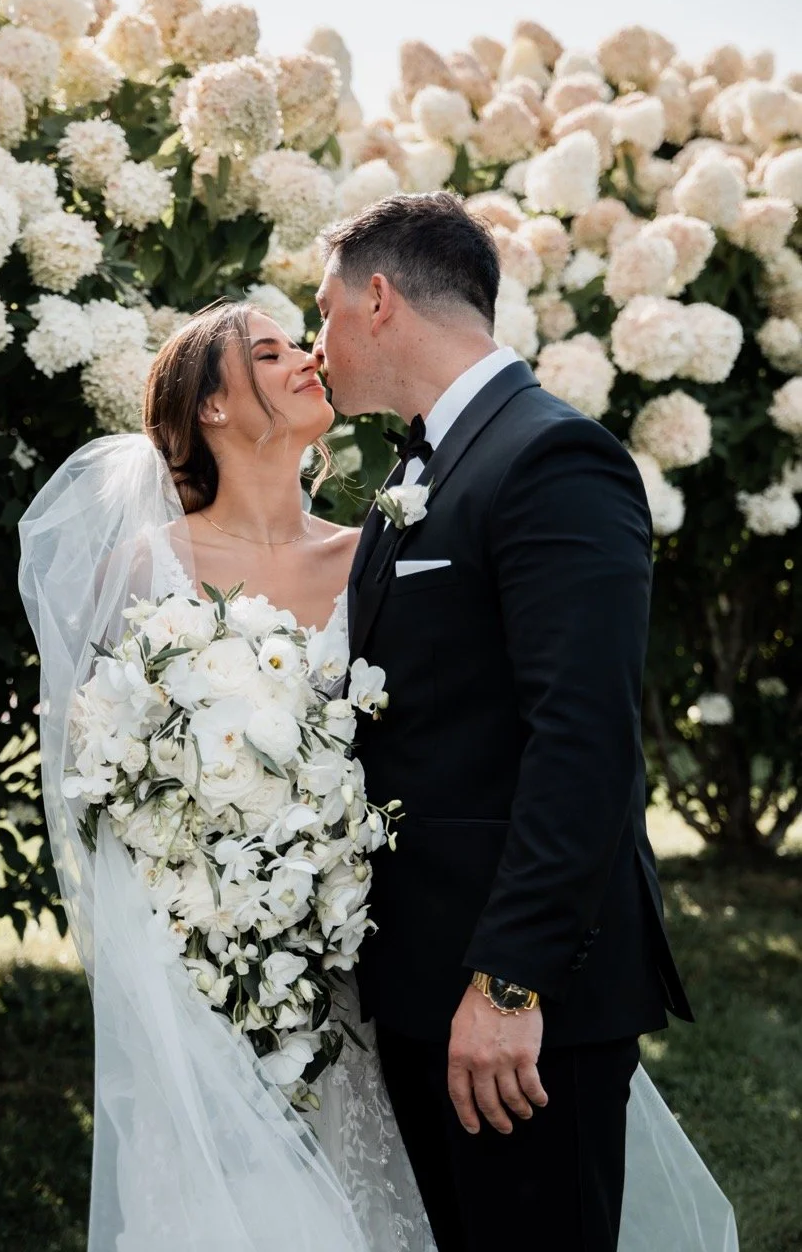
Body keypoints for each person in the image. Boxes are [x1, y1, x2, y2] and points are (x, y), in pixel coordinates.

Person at [20, 292, 736, 1252]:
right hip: (221, 959)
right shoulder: (146, 569)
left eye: (299, 336)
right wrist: (210, 923)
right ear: (211, 408)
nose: (305, 356)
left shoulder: (378, 554)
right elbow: (104, 781)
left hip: (387, 955)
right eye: (267, 351)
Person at [312, 190, 691, 1252]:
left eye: (323, 308)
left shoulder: (549, 458)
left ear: (377, 298)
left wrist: (506, 981)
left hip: (520, 1008)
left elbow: (583, 739)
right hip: (424, 984)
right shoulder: (417, 465)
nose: (316, 339)